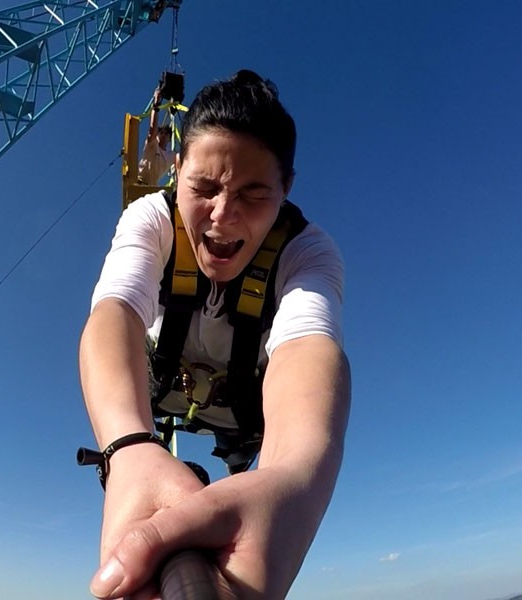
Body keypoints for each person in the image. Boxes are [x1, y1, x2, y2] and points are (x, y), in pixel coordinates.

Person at [79, 69, 351, 599]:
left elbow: (307, 348)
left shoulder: (308, 251)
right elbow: (117, 310)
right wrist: (129, 448)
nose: (222, 217)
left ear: (286, 189)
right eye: (202, 188)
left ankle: (237, 465)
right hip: (160, 388)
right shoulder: (150, 219)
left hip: (243, 413)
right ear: (177, 169)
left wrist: (292, 482)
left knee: (241, 459)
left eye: (254, 194)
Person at [137, 88, 176, 185]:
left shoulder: (171, 155)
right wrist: (156, 104)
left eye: (166, 134)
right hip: (139, 182)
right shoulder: (152, 145)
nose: (163, 135)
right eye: (161, 133)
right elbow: (152, 129)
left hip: (151, 187)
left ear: (169, 138)